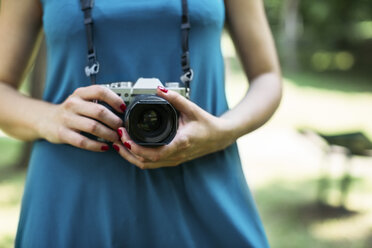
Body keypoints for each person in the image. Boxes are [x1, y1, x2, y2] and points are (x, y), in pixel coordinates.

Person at [0, 0, 282, 247]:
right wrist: (49, 119)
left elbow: (267, 76)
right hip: (72, 198)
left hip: (204, 180)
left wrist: (223, 131)